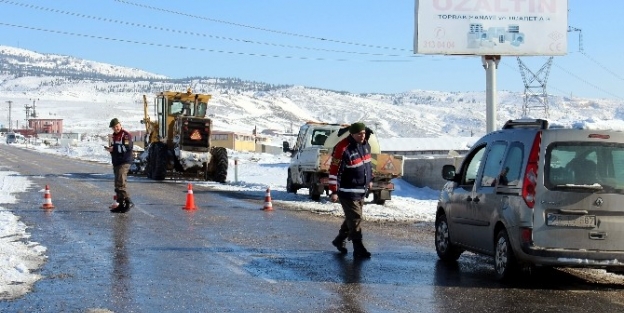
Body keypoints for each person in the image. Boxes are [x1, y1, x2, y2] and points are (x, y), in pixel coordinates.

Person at [328, 122, 374, 258]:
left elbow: (368, 166)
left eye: (364, 133)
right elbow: (334, 171)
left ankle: (339, 240)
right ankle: (358, 248)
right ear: (352, 134)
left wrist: (370, 180)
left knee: (352, 218)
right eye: (359, 134)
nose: (362, 136)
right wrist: (334, 191)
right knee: (355, 218)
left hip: (361, 190)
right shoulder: (343, 148)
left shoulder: (365, 145)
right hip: (347, 191)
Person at [106, 118, 134, 213]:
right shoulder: (113, 136)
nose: (116, 128)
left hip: (124, 161)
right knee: (118, 184)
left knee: (120, 183)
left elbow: (127, 147)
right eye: (114, 127)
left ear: (120, 125)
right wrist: (111, 149)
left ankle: (128, 201)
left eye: (117, 126)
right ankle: (121, 204)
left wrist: (114, 149)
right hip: (117, 162)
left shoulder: (125, 135)